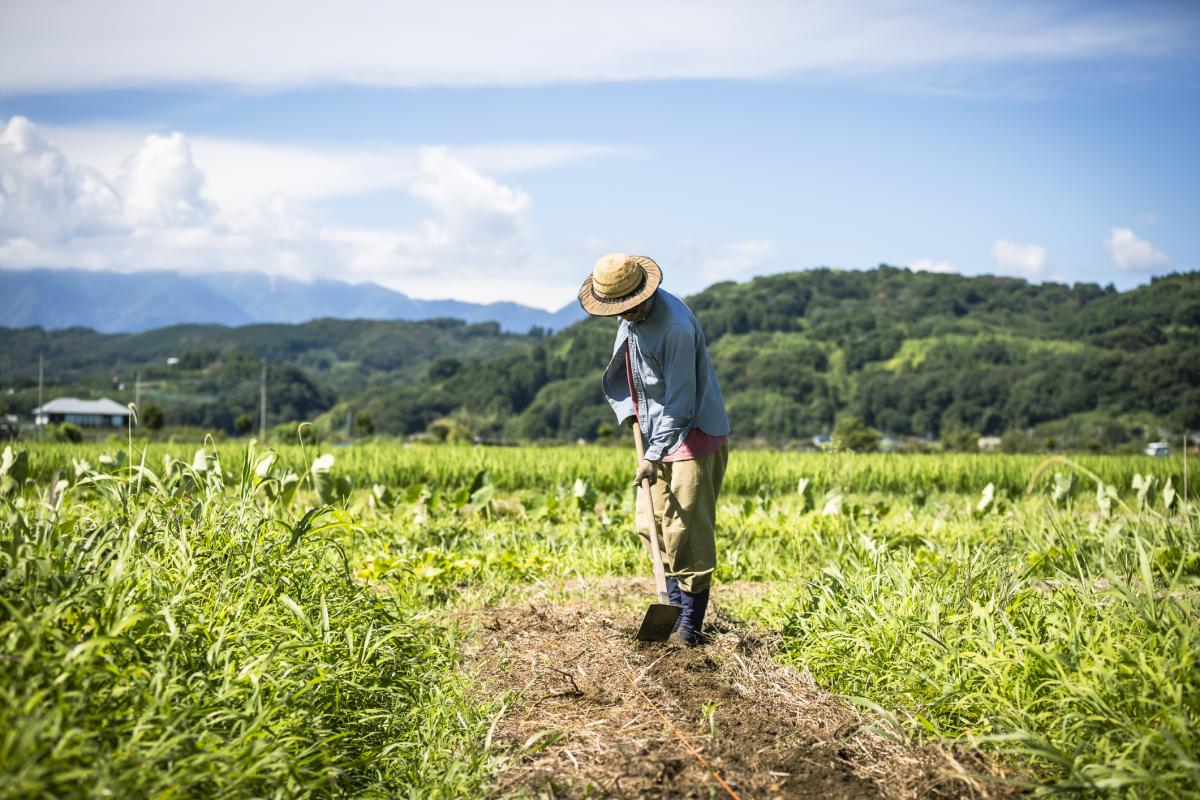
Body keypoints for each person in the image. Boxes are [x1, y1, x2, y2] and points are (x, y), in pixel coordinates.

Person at [578, 253, 730, 646]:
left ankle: (689, 627)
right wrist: (629, 411)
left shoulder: (675, 328)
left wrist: (652, 454)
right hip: (652, 431)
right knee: (651, 524)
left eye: (627, 307)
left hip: (690, 434)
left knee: (685, 532)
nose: (622, 313)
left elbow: (681, 402)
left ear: (642, 294)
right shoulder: (627, 315)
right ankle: (672, 609)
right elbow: (622, 365)